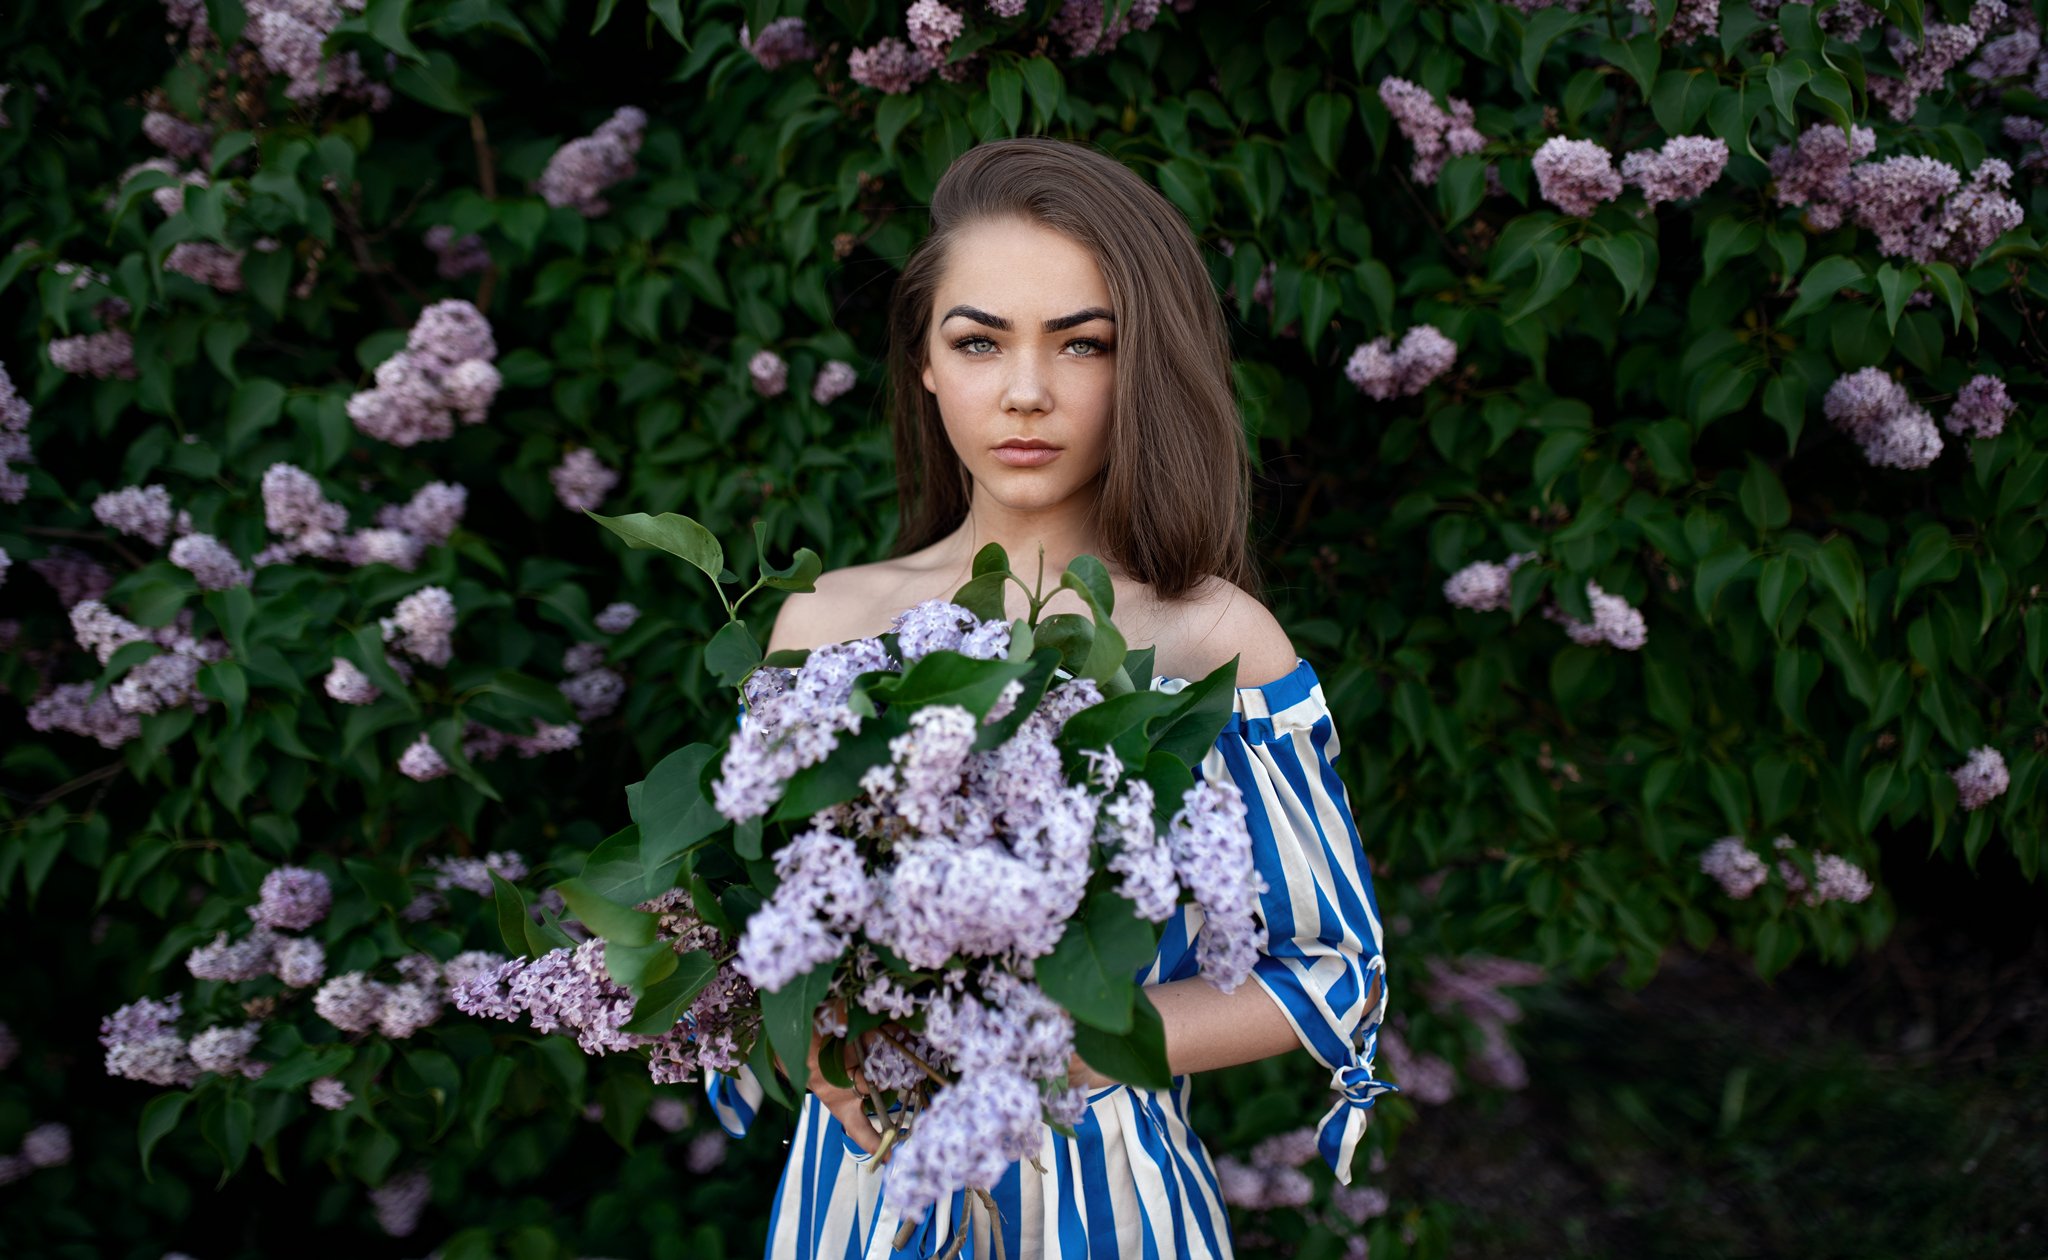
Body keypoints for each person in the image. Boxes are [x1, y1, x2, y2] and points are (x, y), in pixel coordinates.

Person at [704, 136, 1393, 1259]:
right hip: (862, 1202)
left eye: (1083, 345)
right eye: (978, 341)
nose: (1025, 391)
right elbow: (753, 934)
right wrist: (814, 1036)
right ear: (925, 363)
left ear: (1142, 367)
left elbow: (1332, 972)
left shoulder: (1207, 640)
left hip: (1108, 1203)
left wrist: (1055, 1038)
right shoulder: (822, 627)